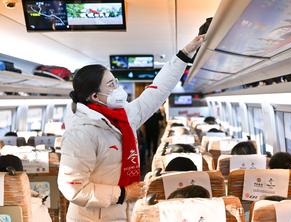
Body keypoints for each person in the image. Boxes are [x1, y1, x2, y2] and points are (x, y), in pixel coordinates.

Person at [57, 35, 206, 222]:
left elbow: (157, 91)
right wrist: (123, 194)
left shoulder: (123, 116)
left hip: (125, 212)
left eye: (116, 82)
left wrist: (184, 54)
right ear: (95, 96)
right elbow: (73, 187)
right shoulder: (81, 132)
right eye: (111, 85)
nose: (118, 89)